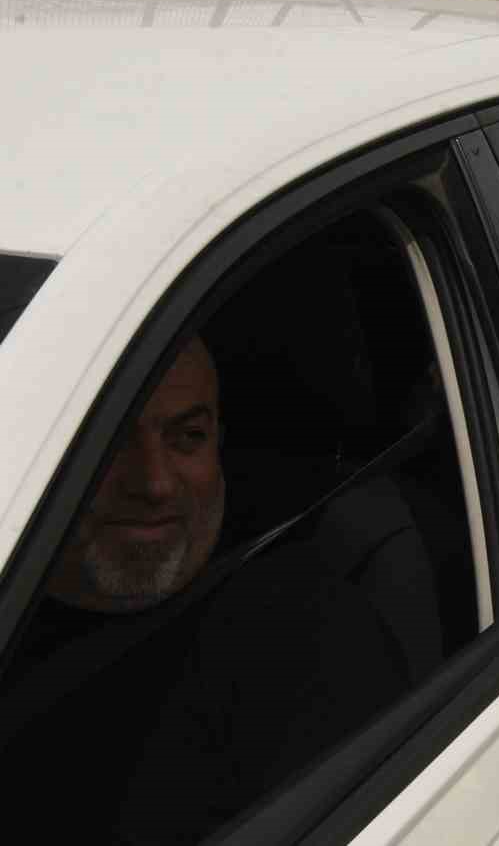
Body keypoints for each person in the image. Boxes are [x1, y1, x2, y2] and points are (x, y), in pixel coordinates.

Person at [0, 336, 410, 842]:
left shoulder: (307, 639)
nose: (154, 484)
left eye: (187, 437)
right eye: (109, 441)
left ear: (218, 444)